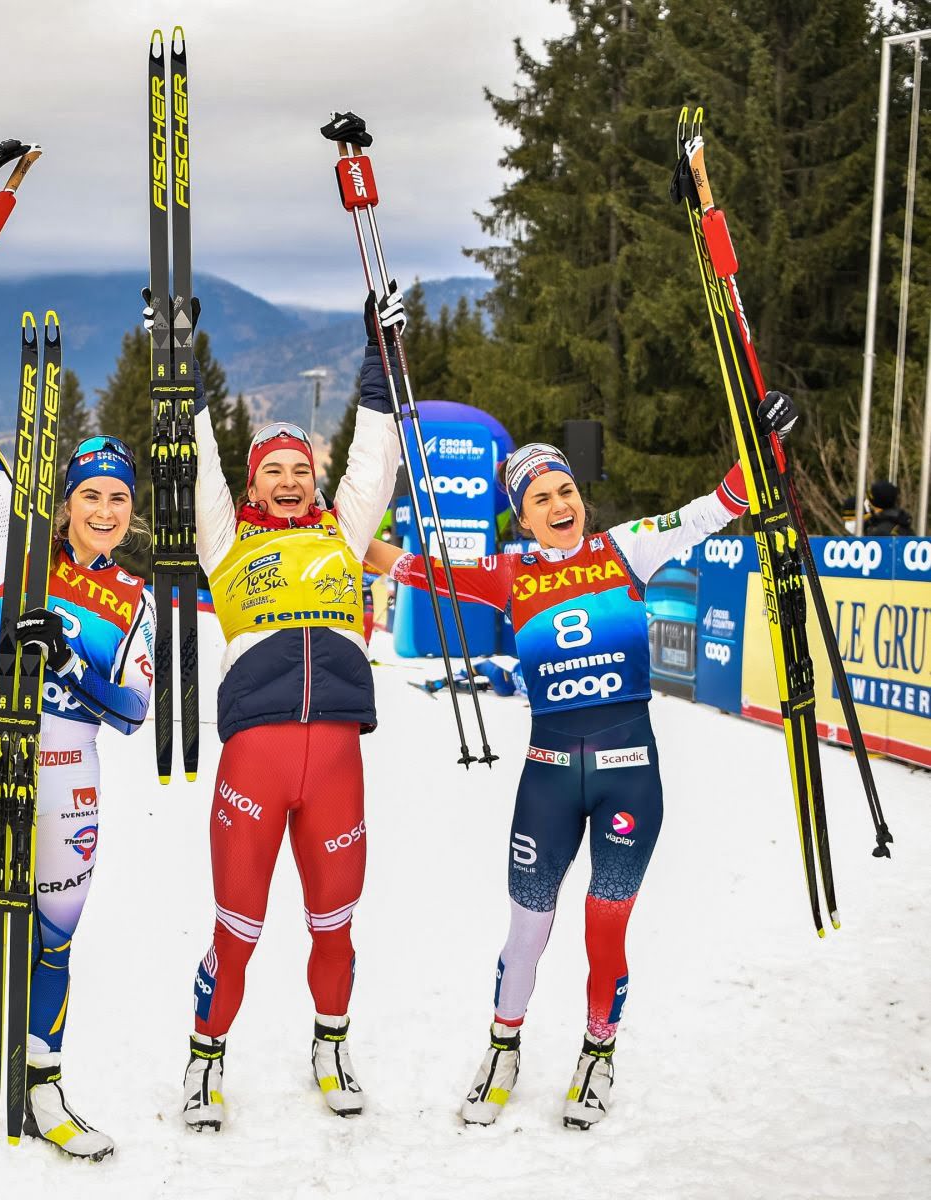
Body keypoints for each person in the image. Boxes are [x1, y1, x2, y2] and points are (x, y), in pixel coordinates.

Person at [364, 390, 799, 1131]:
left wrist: (767, 446)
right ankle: (503, 1050)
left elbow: (717, 507)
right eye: (540, 498)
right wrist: (332, 523)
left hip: (630, 774)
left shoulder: (626, 548)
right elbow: (408, 566)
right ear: (522, 516)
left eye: (565, 490)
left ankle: (598, 1055)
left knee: (605, 926)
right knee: (526, 931)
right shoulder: (506, 571)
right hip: (549, 779)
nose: (559, 504)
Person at [0, 268, 155, 1171]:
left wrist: (71, 663)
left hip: (72, 772)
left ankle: (44, 1089)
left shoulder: (135, 597)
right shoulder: (21, 540)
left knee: (55, 941)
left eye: (118, 498)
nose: (104, 509)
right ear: (66, 502)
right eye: (91, 494)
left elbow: (134, 711)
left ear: (130, 514)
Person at [177, 288, 405, 1131]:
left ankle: (331, 1046)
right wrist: (180, 358)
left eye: (300, 469)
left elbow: (374, 458)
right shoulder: (226, 540)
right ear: (254, 482)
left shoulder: (342, 533)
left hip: (337, 764)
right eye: (273, 469)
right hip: (255, 764)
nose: (288, 480)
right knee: (236, 930)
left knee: (334, 926)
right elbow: (198, 457)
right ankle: (205, 1061)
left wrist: (382, 354)